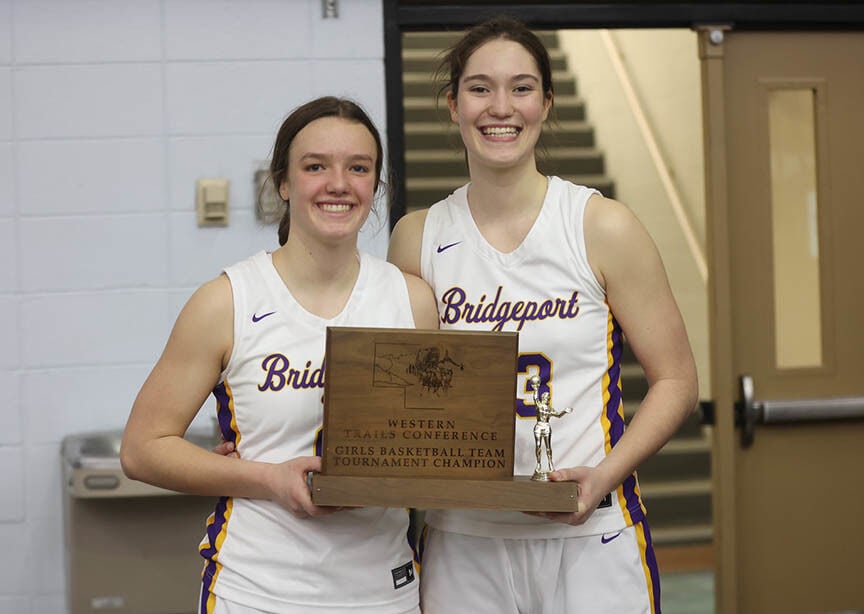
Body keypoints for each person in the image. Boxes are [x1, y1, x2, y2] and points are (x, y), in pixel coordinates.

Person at [387, 16, 698, 614]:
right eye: (479, 88)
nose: (500, 106)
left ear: (547, 103)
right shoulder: (418, 237)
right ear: (452, 104)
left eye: (522, 87)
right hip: (464, 538)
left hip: (591, 537)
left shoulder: (600, 225)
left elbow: (679, 382)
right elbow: (397, 396)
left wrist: (603, 475)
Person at [120, 96, 438, 614]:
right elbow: (141, 449)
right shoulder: (227, 301)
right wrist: (267, 478)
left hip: (384, 591)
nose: (338, 183)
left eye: (358, 168)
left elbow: (434, 446)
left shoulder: (411, 301)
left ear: (375, 187)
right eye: (316, 167)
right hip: (256, 590)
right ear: (284, 184)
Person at [529, 375, 572, 479]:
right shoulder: (539, 406)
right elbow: (535, 398)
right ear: (543, 398)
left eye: (549, 398)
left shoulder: (549, 409)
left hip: (547, 427)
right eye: (547, 397)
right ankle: (538, 465)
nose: (548, 399)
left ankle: (550, 464)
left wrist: (564, 411)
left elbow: (558, 415)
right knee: (538, 446)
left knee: (548, 447)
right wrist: (536, 388)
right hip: (539, 426)